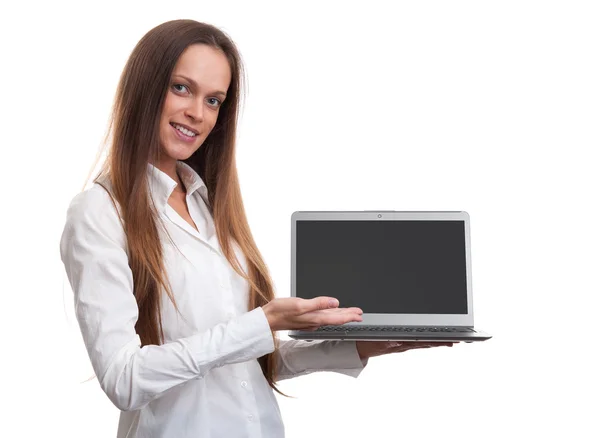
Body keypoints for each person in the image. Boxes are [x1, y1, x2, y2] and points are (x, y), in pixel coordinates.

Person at [59, 19, 452, 438]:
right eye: (181, 88)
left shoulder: (208, 204)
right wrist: (261, 323)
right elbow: (125, 378)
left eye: (214, 100)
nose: (197, 113)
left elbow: (245, 360)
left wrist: (356, 347)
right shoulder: (100, 212)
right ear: (144, 87)